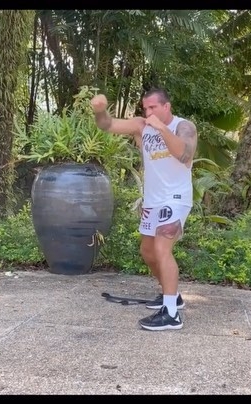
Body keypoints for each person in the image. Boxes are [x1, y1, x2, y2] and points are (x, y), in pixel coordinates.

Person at [90, 88, 197, 331]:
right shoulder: (141, 126)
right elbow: (106, 125)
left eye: (153, 107)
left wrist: (161, 128)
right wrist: (99, 110)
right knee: (147, 251)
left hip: (176, 197)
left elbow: (184, 155)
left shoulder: (184, 127)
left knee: (161, 247)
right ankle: (173, 296)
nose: (147, 112)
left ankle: (171, 314)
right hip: (152, 200)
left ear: (166, 106)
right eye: (145, 108)